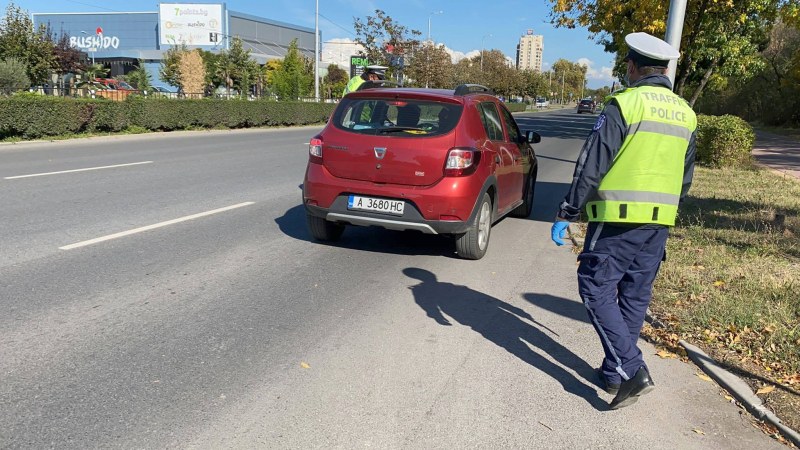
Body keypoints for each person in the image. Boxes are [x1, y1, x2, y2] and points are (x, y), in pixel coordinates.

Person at [550, 32, 698, 410]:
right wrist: (667, 213)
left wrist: (568, 210)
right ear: (665, 69)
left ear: (632, 67)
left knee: (595, 288)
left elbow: (591, 162)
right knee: (634, 295)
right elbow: (685, 176)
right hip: (659, 223)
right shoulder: (686, 112)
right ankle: (615, 372)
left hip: (616, 217)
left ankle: (632, 371)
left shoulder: (625, 104)